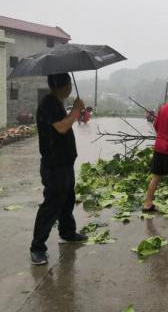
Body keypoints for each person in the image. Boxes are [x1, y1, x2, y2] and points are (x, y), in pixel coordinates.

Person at [30, 73, 88, 265]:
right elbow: (61, 128)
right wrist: (76, 110)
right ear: (65, 86)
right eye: (69, 83)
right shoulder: (48, 104)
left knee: (67, 199)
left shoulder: (56, 102)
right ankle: (37, 248)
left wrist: (74, 111)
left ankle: (68, 232)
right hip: (54, 165)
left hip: (64, 163)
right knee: (52, 204)